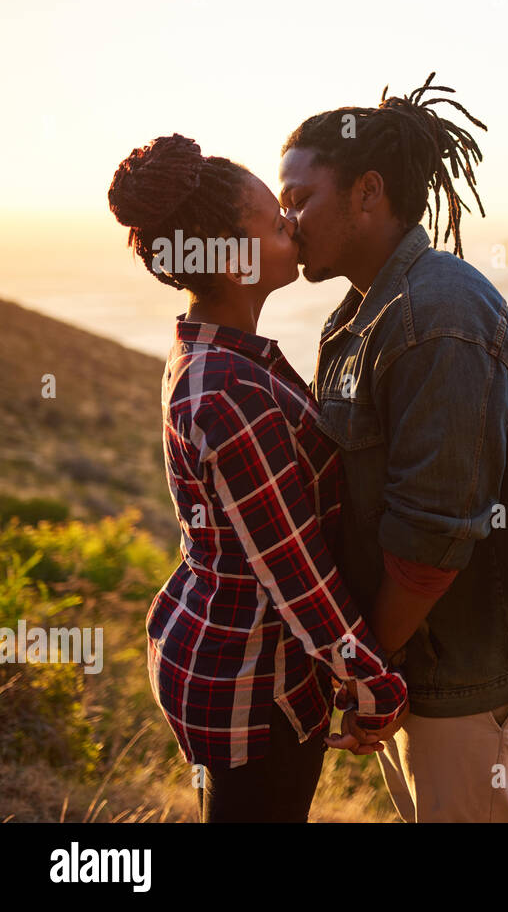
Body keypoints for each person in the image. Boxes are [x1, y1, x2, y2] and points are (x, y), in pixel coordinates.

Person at [278, 71, 508, 822]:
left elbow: (432, 538)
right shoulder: (361, 314)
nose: (288, 222)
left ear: (368, 192)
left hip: (474, 673)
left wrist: (363, 670)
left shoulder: (435, 315)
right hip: (430, 661)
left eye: (299, 199)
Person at [106, 134, 408, 822]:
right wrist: (374, 682)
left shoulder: (217, 355)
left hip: (229, 655)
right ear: (233, 256)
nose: (293, 226)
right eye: (276, 221)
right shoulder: (227, 391)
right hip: (245, 682)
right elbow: (292, 568)